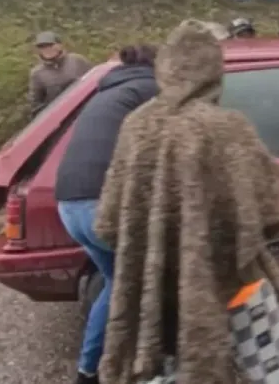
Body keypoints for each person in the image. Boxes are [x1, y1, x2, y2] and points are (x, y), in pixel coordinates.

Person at [94, 20, 279, 383]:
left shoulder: (136, 125)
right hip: (234, 289)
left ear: (165, 67)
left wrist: (157, 251)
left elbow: (108, 224)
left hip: (157, 298)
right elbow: (273, 212)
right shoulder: (227, 127)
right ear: (215, 71)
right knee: (275, 370)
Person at [54, 45, 159, 384]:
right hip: (100, 205)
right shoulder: (150, 89)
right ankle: (152, 370)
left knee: (117, 283)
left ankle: (88, 372)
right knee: (158, 279)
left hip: (68, 206)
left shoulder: (107, 92)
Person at [28, 31, 92, 116]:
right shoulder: (37, 74)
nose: (47, 49)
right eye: (42, 47)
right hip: (63, 117)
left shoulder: (77, 60)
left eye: (50, 45)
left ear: (60, 45)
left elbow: (95, 80)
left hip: (88, 109)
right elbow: (36, 105)